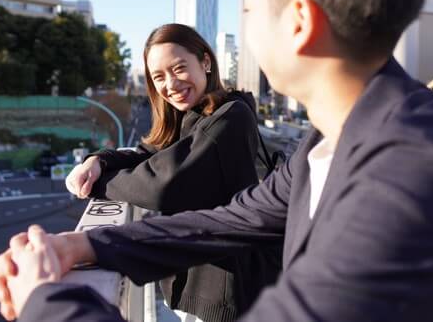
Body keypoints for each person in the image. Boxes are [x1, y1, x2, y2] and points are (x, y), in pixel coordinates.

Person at [0, 0, 433, 321]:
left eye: (249, 7)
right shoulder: (339, 139)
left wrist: (43, 299)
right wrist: (84, 248)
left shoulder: (401, 188)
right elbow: (227, 221)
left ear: (299, 22)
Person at [64, 23, 281, 322]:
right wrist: (98, 160)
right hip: (198, 279)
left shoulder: (231, 116)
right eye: (158, 77)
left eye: (179, 68)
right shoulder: (192, 115)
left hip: (228, 291)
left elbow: (164, 184)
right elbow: (147, 155)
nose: (170, 84)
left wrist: (100, 183)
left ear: (205, 61)